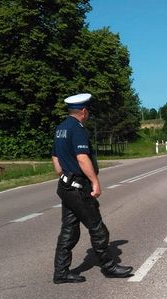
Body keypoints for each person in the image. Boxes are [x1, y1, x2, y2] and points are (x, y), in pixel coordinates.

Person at [51, 93, 134, 284]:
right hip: (79, 188)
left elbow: (55, 158)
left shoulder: (61, 128)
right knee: (97, 228)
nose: (88, 114)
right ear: (83, 110)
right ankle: (109, 267)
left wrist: (64, 173)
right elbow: (82, 157)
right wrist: (95, 181)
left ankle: (61, 271)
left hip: (65, 185)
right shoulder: (78, 129)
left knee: (69, 230)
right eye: (87, 111)